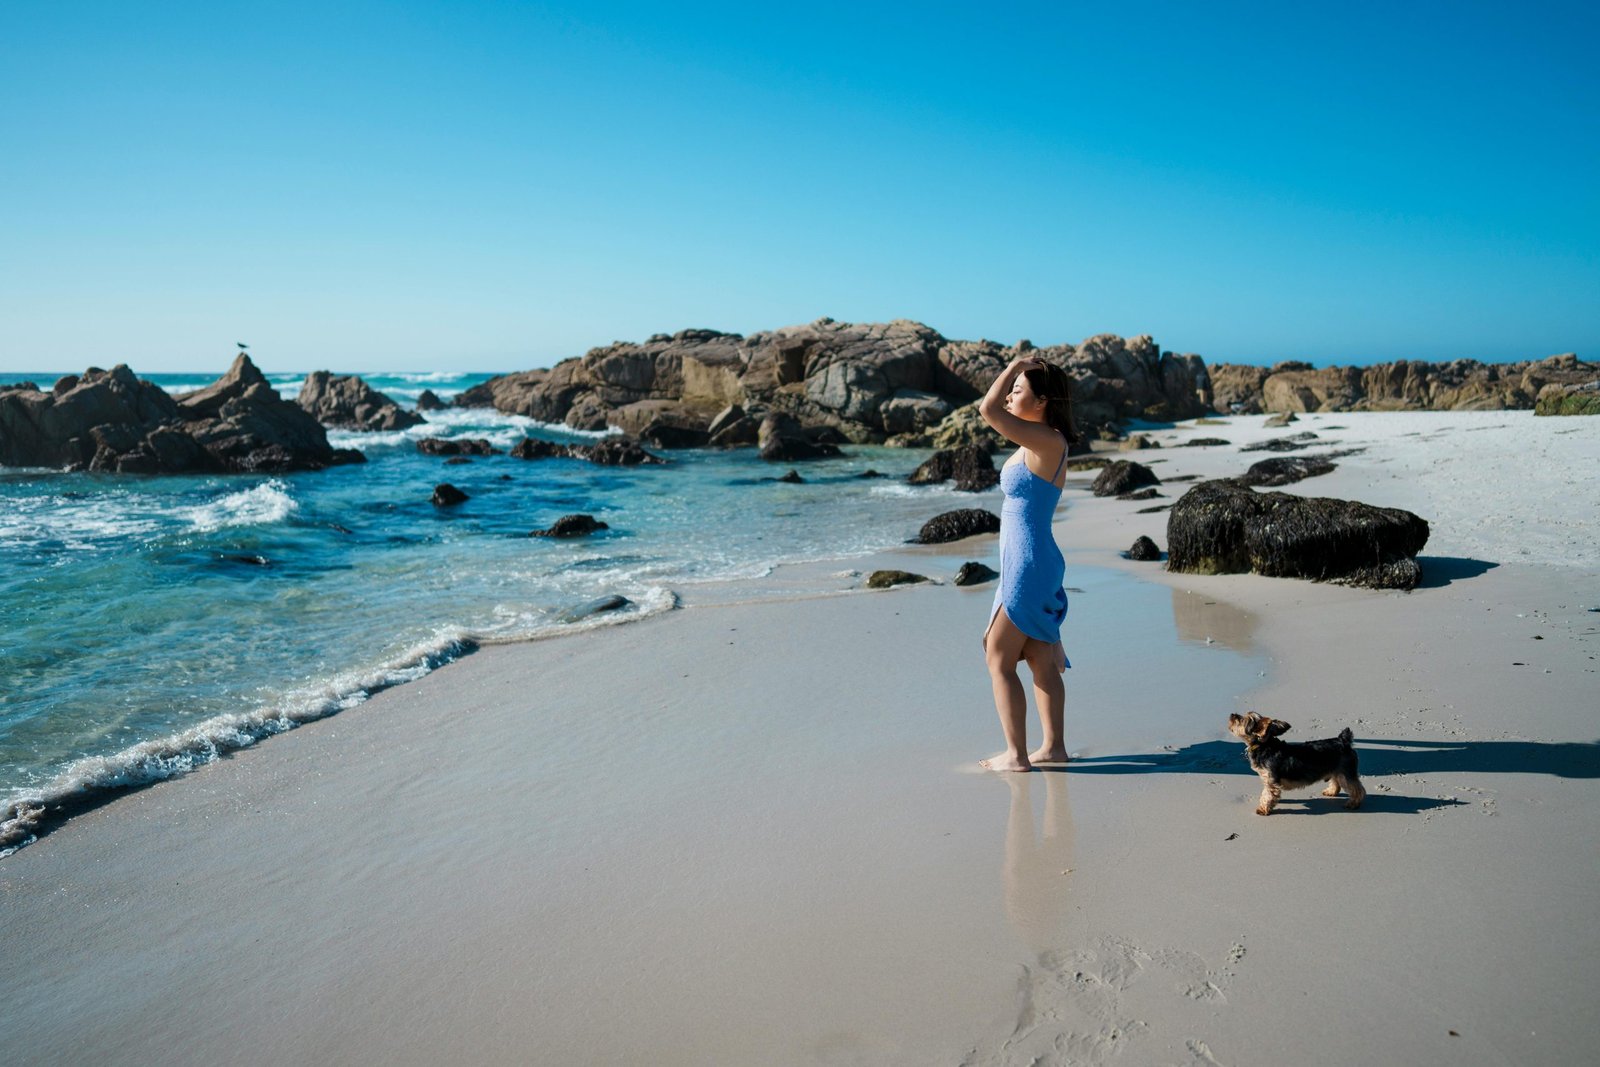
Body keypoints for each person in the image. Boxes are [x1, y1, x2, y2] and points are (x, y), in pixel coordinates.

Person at [976, 356, 1080, 772]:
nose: (1011, 394)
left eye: (1019, 389)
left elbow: (987, 409)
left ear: (1042, 401)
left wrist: (1014, 364)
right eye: (1013, 386)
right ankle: (1053, 747)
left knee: (998, 657)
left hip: (1028, 563)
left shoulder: (1049, 442)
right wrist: (1018, 372)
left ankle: (1016, 756)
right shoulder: (1034, 441)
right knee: (1039, 656)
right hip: (1027, 561)